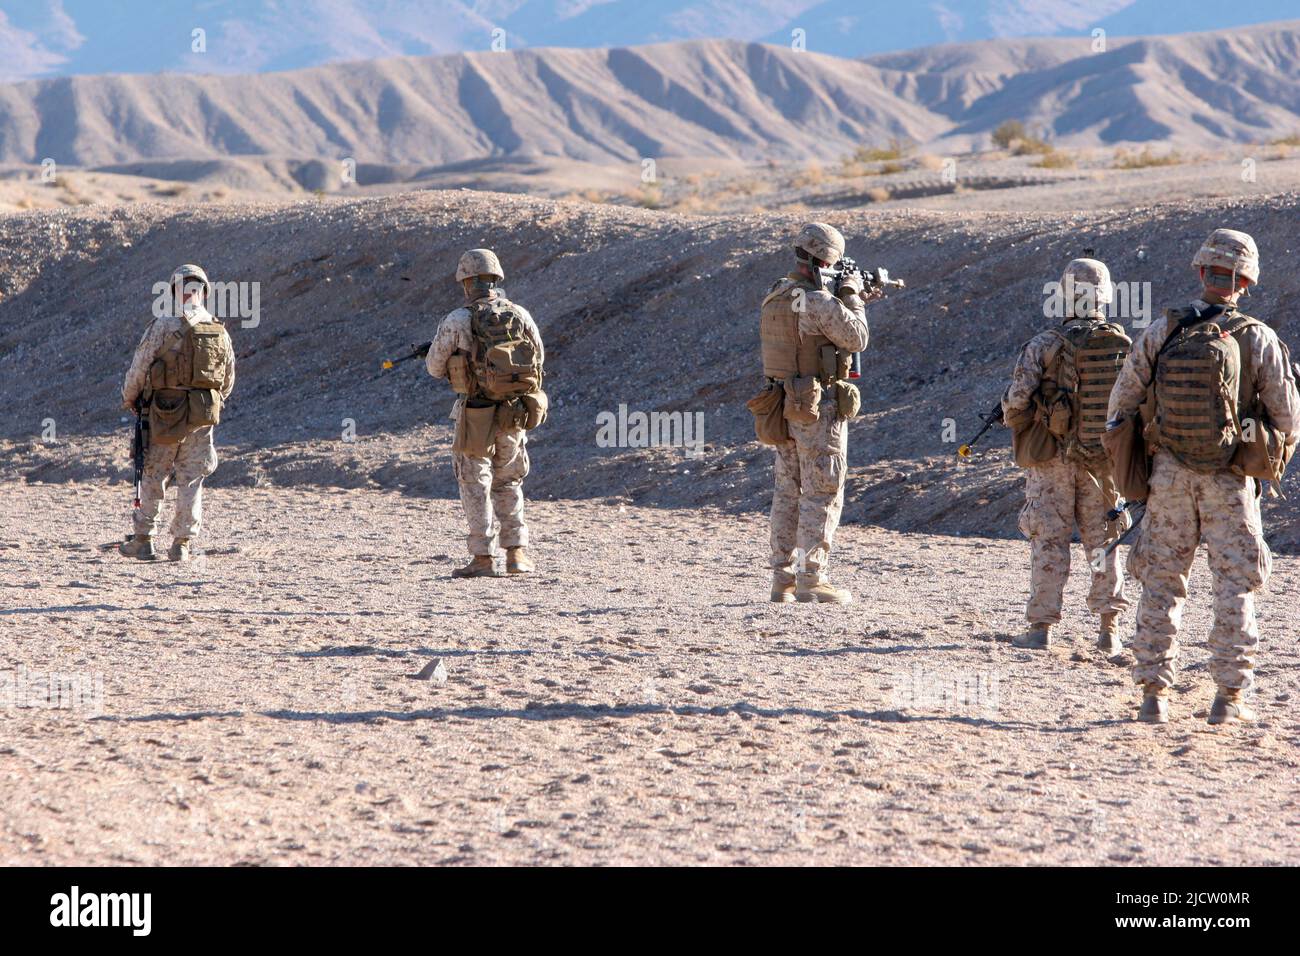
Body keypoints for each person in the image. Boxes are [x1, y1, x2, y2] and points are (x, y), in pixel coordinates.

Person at [1107, 229, 1299, 724]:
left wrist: (1141, 467)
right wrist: (1262, 459)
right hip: (1231, 479)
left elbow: (1119, 407)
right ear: (1247, 281)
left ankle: (1153, 695)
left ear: (1200, 272)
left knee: (1162, 584)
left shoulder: (1163, 329)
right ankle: (1228, 699)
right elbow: (1289, 420)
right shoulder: (1258, 337)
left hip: (1168, 476)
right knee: (1235, 584)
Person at [1002, 258, 1131, 653]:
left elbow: (1015, 404)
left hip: (1051, 461)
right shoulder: (1123, 346)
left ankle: (1041, 628)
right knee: (1104, 543)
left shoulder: (1043, 344)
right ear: (1105, 297)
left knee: (1049, 541)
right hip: (1102, 462)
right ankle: (1109, 631)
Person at [760, 223, 872, 604]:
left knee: (786, 490)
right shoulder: (820, 301)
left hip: (781, 404)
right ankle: (813, 578)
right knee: (823, 490)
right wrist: (852, 296)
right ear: (824, 260)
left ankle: (782, 578)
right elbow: (856, 337)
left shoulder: (776, 293)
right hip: (815, 408)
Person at [426, 248, 546, 577]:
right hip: (514, 410)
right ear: (496, 279)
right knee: (508, 481)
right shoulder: (520, 314)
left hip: (475, 412)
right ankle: (517, 555)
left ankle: (482, 558)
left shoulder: (458, 319)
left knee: (474, 482)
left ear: (465, 282)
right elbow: (539, 360)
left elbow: (435, 367)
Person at [119, 264, 235, 562]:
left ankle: (144, 539)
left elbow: (139, 368)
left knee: (154, 472)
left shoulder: (163, 325)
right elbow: (228, 381)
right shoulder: (218, 329)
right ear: (204, 292)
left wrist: (130, 399)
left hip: (164, 412)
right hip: (201, 415)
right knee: (191, 478)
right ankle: (181, 544)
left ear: (174, 291)